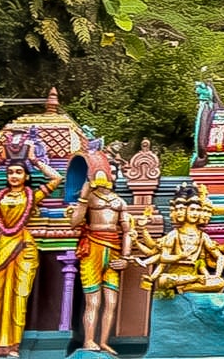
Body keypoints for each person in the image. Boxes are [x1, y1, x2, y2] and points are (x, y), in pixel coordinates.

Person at [0, 138, 63, 358]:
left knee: (19, 296)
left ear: (26, 176)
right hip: (4, 247)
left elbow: (57, 178)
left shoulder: (32, 195)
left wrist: (34, 160)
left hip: (24, 249)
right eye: (10, 172)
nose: (13, 175)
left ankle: (13, 346)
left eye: (18, 172)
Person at [70, 147, 131, 354]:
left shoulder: (119, 202)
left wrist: (126, 257)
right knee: (93, 301)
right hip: (93, 249)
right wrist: (84, 197)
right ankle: (88, 340)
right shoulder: (90, 198)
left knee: (111, 302)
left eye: (114, 172)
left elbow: (128, 232)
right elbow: (74, 222)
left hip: (113, 249)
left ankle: (104, 341)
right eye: (108, 171)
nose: (110, 176)